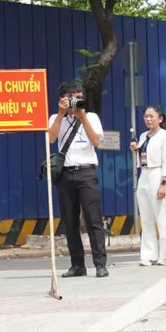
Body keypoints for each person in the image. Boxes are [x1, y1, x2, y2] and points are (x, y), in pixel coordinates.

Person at [46, 80, 108, 278]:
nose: (76, 100)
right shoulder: (55, 117)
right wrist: (62, 114)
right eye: (72, 97)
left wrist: (82, 118)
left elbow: (96, 141)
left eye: (79, 97)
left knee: (93, 219)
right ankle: (77, 265)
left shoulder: (91, 116)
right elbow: (51, 138)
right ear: (62, 99)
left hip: (86, 172)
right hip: (65, 174)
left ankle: (100, 264)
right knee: (70, 221)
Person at [131, 105, 166, 266]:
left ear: (160, 118)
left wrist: (163, 183)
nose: (148, 119)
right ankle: (148, 254)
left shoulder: (165, 136)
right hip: (144, 173)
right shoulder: (143, 135)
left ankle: (165, 254)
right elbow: (143, 156)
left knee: (162, 216)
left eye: (152, 116)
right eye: (146, 116)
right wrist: (135, 150)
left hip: (158, 174)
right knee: (146, 217)